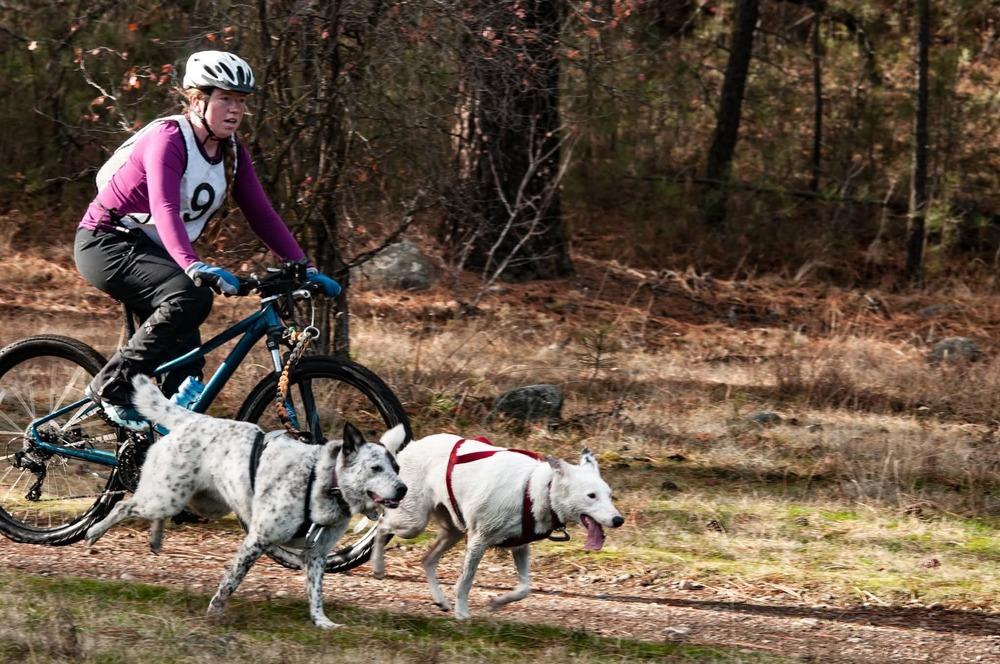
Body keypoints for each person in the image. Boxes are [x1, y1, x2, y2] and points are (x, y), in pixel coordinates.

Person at [74, 50, 340, 429]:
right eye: (225, 99)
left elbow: (262, 214)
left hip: (154, 253)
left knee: (187, 372)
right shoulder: (168, 138)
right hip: (105, 242)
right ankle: (111, 388)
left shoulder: (232, 152)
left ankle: (145, 451)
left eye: (241, 101)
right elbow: (164, 206)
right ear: (198, 100)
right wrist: (192, 264)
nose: (235, 110)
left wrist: (304, 266)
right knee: (191, 295)